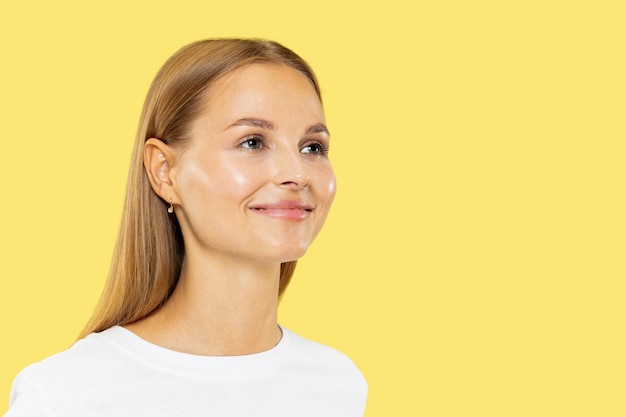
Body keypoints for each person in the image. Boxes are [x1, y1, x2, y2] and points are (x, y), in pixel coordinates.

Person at [5, 38, 367, 417]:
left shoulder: (338, 384)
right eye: (252, 142)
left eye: (313, 147)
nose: (297, 173)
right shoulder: (67, 396)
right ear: (165, 172)